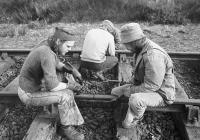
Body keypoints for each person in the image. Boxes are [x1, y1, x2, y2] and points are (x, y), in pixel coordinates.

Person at [18, 27, 84, 140]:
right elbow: (52, 86)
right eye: (68, 46)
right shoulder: (46, 53)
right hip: (28, 94)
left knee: (61, 75)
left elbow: (56, 62)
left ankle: (57, 111)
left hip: (28, 85)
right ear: (58, 41)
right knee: (67, 94)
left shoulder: (46, 44)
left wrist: (71, 70)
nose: (70, 49)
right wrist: (71, 86)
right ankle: (65, 129)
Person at [111, 23, 176, 129]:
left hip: (161, 93)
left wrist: (131, 90)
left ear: (135, 41)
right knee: (115, 91)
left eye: (128, 44)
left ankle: (137, 117)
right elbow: (141, 73)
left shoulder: (153, 56)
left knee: (135, 100)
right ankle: (132, 104)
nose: (127, 48)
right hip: (145, 85)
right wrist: (131, 83)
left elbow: (152, 86)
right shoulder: (140, 48)